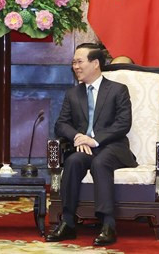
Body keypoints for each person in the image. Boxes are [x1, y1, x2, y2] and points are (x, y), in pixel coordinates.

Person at [45, 43, 137, 246]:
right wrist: (78, 136)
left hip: (112, 147)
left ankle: (107, 224)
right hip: (84, 148)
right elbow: (61, 124)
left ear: (95, 63)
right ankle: (68, 222)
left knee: (100, 162)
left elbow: (123, 124)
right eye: (73, 62)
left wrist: (95, 140)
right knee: (73, 161)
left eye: (80, 62)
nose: (76, 66)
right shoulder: (73, 93)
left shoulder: (118, 90)